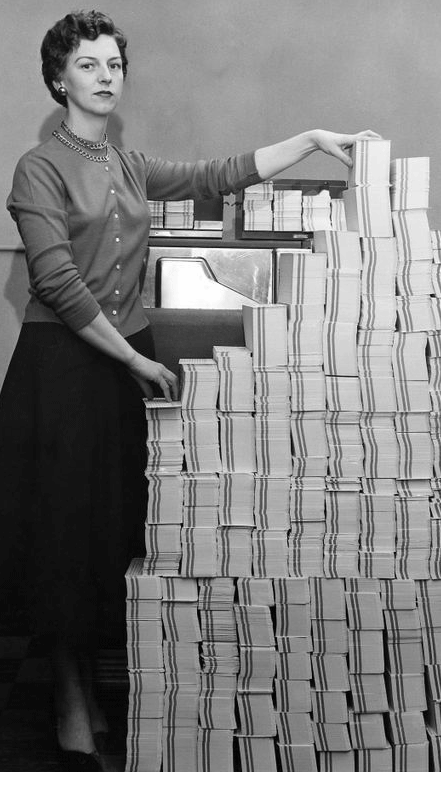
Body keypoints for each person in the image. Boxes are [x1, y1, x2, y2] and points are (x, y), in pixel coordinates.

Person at [1, 8, 381, 772]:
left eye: (115, 64)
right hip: (66, 369)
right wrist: (137, 363)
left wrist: (311, 139)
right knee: (64, 536)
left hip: (122, 359)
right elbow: (59, 284)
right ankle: (70, 702)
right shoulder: (36, 167)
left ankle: (92, 693)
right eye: (89, 65)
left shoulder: (131, 164)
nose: (107, 76)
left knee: (112, 527)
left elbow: (219, 174)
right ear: (57, 79)